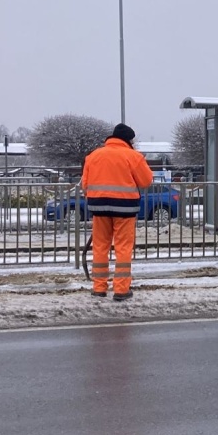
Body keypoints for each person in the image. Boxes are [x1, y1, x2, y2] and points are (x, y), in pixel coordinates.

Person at [81, 123, 153, 301]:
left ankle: (99, 287)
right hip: (125, 208)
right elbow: (146, 181)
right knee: (123, 248)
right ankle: (121, 289)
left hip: (99, 207)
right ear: (128, 140)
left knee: (100, 246)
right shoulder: (133, 156)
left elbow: (85, 185)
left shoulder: (93, 156)